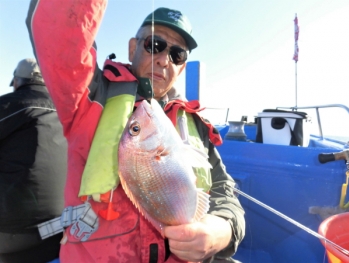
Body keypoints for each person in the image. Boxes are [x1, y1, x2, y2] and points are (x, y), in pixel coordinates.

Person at [26, 1, 245, 262]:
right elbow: (59, 32)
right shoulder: (91, 96)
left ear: (182, 67)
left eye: (177, 55)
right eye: (155, 45)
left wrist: (220, 231)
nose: (164, 59)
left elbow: (223, 190)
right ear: (133, 48)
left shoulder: (195, 123)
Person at [0, 58, 67, 263]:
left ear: (18, 82)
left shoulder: (10, 104)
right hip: (59, 234)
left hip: (10, 237)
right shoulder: (69, 113)